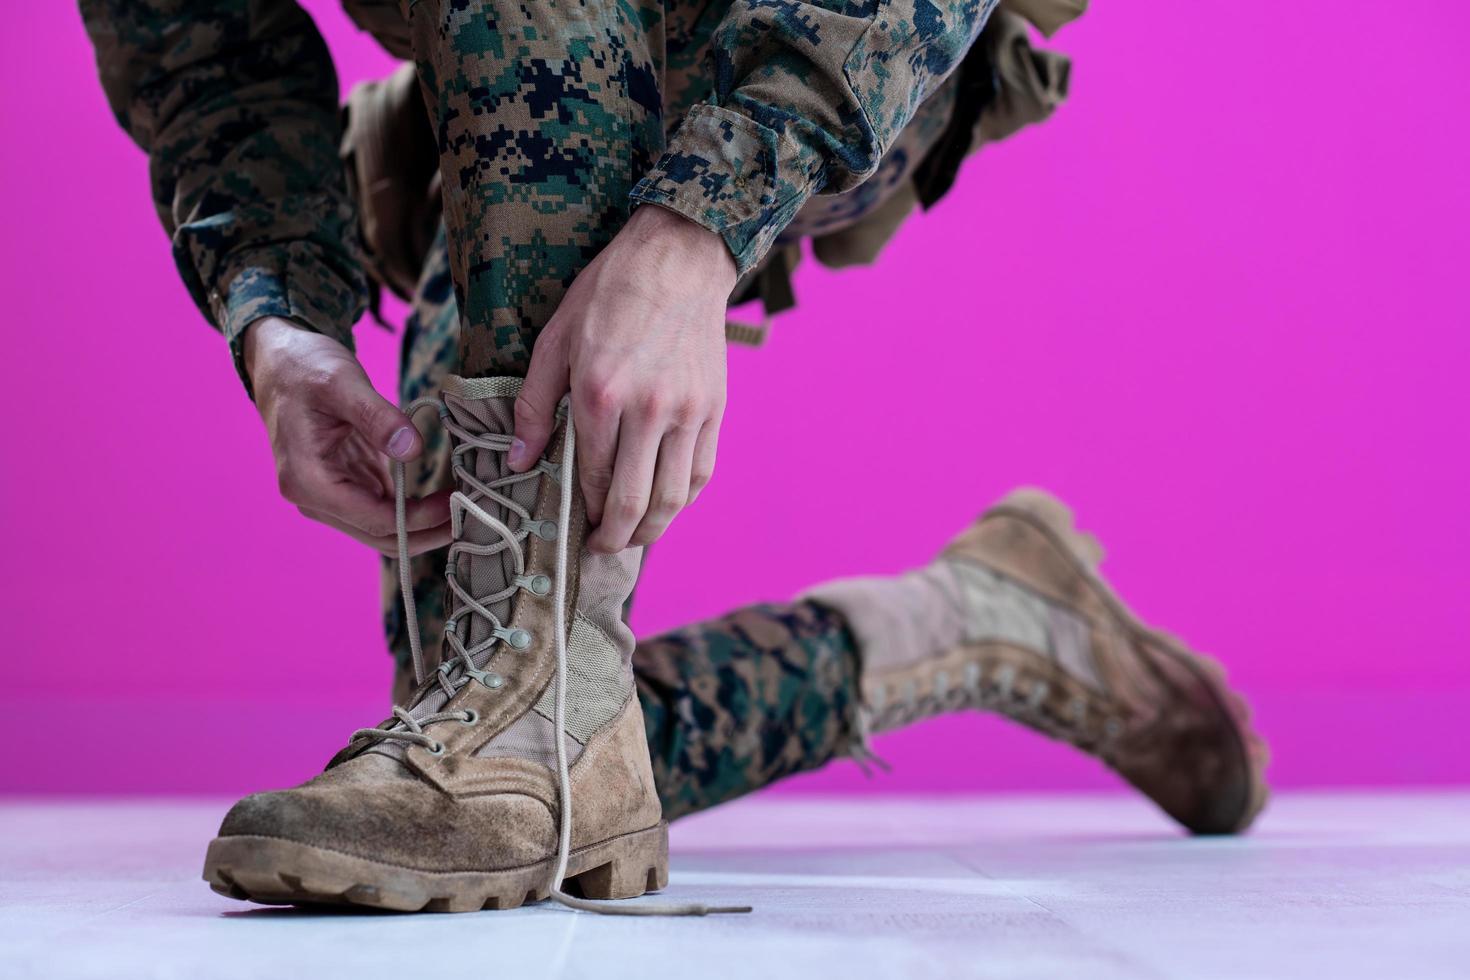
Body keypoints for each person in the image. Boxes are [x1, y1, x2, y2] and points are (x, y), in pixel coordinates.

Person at [81, 0, 1267, 915]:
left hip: (824, 38)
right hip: (509, 88)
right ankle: (973, 619)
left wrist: (699, 225)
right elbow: (199, 45)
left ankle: (532, 711)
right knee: (490, 696)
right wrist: (280, 316)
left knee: (519, 716)